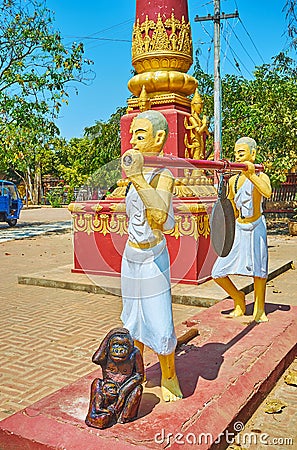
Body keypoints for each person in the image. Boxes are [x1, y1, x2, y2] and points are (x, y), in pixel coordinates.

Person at [120, 110, 182, 402]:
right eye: (131, 134)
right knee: (132, 319)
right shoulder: (135, 175)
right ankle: (137, 369)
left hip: (153, 258)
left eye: (140, 135)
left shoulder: (163, 175)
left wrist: (139, 180)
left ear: (159, 139)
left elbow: (158, 216)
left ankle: (169, 375)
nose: (132, 141)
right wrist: (135, 178)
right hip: (131, 256)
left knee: (159, 319)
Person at [212, 137, 272, 322]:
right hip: (240, 227)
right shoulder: (233, 180)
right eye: (236, 153)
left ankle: (259, 309)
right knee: (217, 272)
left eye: (242, 152)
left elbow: (267, 192)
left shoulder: (260, 176)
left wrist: (251, 175)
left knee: (259, 270)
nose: (238, 156)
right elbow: (229, 207)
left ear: (253, 154)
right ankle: (238, 298)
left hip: (256, 227)